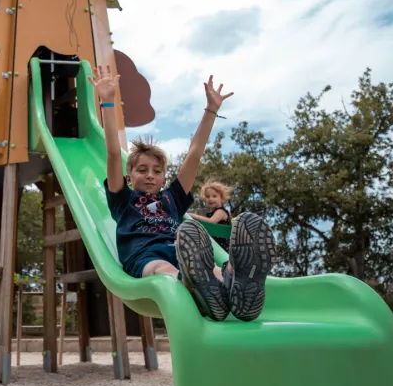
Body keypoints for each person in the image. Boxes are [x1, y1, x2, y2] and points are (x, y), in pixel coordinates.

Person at [91, 64, 276, 322]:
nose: (150, 175)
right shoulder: (123, 199)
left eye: (156, 171)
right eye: (142, 170)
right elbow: (112, 152)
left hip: (186, 252)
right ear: (128, 177)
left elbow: (195, 153)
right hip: (145, 258)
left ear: (164, 178)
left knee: (207, 265)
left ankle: (236, 281)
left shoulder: (172, 198)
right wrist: (107, 102)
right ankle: (200, 289)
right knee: (163, 268)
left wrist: (211, 110)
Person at [189, 181, 233, 250]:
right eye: (207, 196)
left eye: (214, 196)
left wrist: (193, 216)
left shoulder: (220, 211)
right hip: (215, 246)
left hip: (223, 249)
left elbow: (211, 222)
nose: (210, 199)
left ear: (222, 199)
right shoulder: (211, 213)